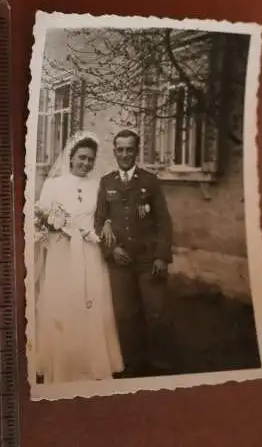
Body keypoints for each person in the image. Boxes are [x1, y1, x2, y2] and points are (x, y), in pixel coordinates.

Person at [34, 131, 124, 384]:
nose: (85, 163)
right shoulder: (54, 185)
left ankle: (91, 362)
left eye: (90, 160)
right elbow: (41, 221)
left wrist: (103, 225)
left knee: (92, 301)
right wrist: (58, 226)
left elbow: (106, 216)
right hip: (63, 253)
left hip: (90, 251)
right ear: (71, 157)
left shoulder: (99, 186)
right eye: (81, 158)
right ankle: (64, 364)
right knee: (65, 303)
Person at [95, 129, 173, 378]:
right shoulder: (107, 182)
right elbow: (99, 220)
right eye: (120, 149)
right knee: (126, 314)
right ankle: (131, 361)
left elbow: (164, 222)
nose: (125, 154)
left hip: (148, 260)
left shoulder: (149, 181)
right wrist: (112, 249)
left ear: (136, 151)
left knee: (156, 311)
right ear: (115, 151)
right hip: (120, 261)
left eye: (130, 149)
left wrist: (161, 256)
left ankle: (160, 362)